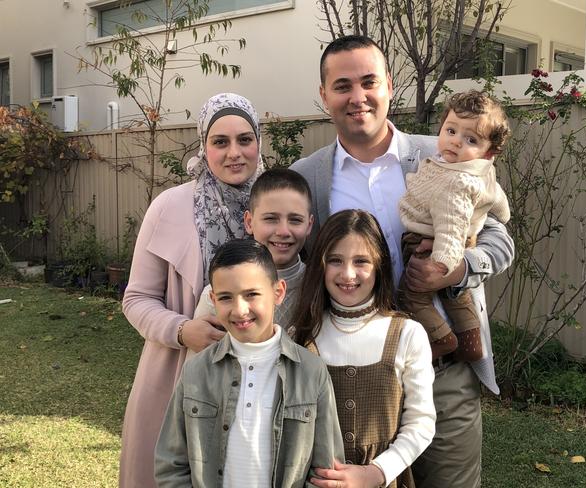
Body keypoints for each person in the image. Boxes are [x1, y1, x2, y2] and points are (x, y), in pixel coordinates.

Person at [291, 35, 514, 487]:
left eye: (369, 81)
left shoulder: (448, 152)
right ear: (324, 95)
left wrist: (459, 268)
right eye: (342, 85)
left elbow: (501, 241)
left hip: (442, 367)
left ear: (390, 85)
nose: (358, 97)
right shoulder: (306, 176)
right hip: (352, 380)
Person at [120, 93, 263, 488]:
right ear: (204, 146)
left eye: (244, 139)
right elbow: (136, 299)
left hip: (259, 379)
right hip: (179, 375)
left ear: (258, 142)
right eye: (220, 142)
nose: (234, 153)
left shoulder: (275, 202)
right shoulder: (170, 206)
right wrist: (184, 331)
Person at [155, 239, 344, 487]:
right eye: (225, 298)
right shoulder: (196, 371)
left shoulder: (311, 371)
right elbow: (170, 465)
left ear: (278, 292)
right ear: (212, 298)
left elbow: (326, 471)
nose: (240, 310)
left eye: (251, 294)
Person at [293, 210, 435, 488]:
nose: (348, 274)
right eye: (335, 261)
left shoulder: (407, 334)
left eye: (361, 261)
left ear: (380, 265)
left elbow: (421, 423)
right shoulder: (301, 336)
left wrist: (376, 473)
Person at [397, 90, 511, 362]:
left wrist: (446, 266)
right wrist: (502, 213)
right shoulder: (478, 171)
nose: (456, 142)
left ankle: (442, 339)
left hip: (429, 245)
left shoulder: (456, 182)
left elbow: (450, 223)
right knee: (456, 296)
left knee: (412, 296)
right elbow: (497, 197)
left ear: (488, 152)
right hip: (453, 242)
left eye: (471, 139)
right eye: (451, 131)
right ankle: (471, 343)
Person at [190, 168, 314, 346]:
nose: (283, 231)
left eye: (295, 220)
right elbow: (198, 368)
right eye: (271, 219)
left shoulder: (317, 287)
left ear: (309, 225)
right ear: (249, 222)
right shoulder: (220, 295)